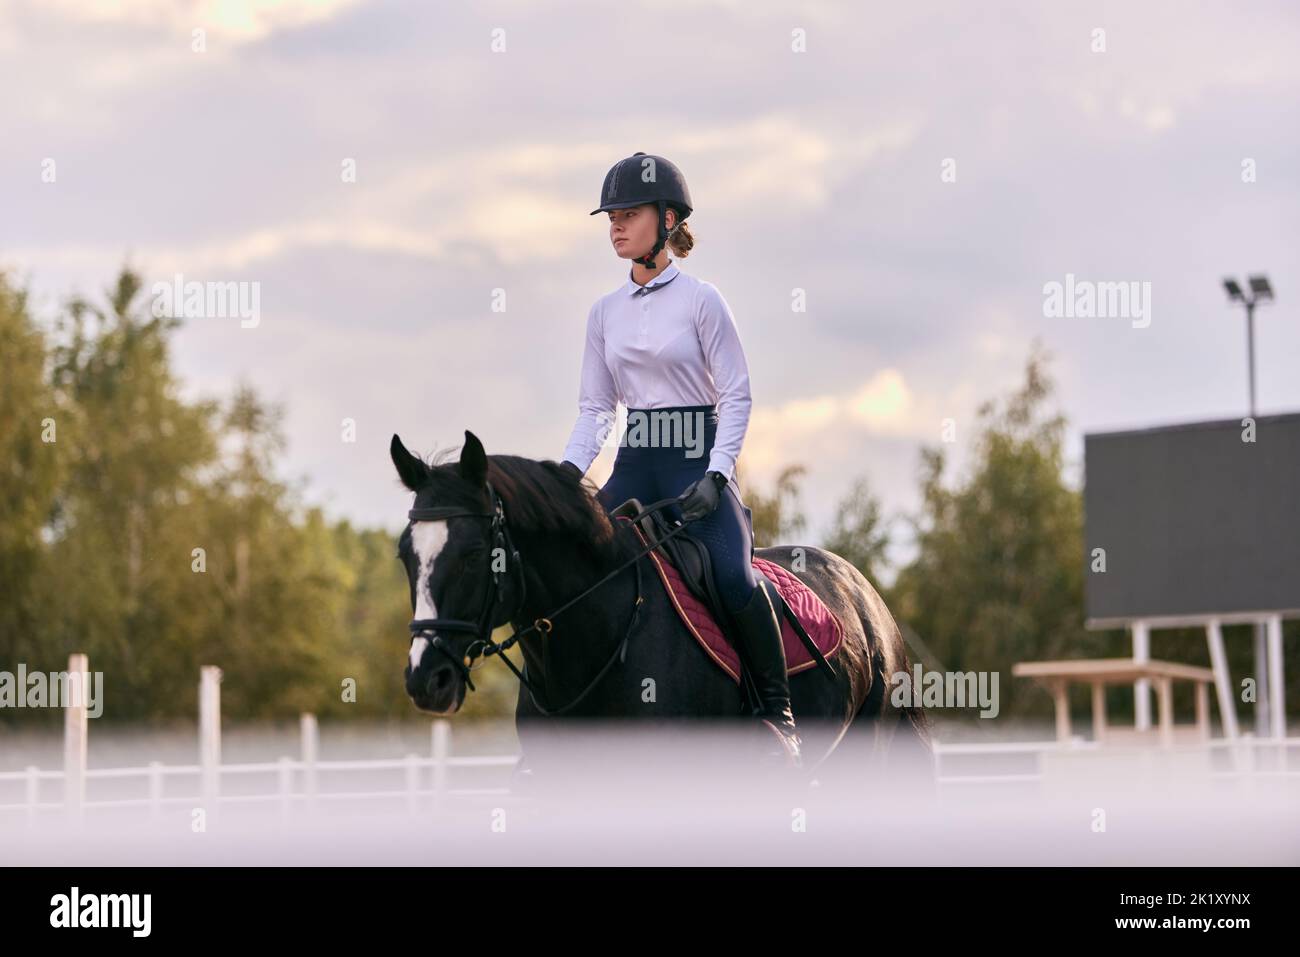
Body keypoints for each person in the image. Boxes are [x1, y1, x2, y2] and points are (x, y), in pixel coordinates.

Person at [557, 151, 801, 767]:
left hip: (696, 463)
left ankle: (778, 712)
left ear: (667, 220)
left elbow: (737, 394)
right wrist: (567, 476)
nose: (615, 225)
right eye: (610, 215)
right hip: (635, 463)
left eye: (628, 214)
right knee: (575, 568)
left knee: (733, 577)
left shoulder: (702, 300)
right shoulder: (602, 313)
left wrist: (719, 474)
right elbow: (595, 410)